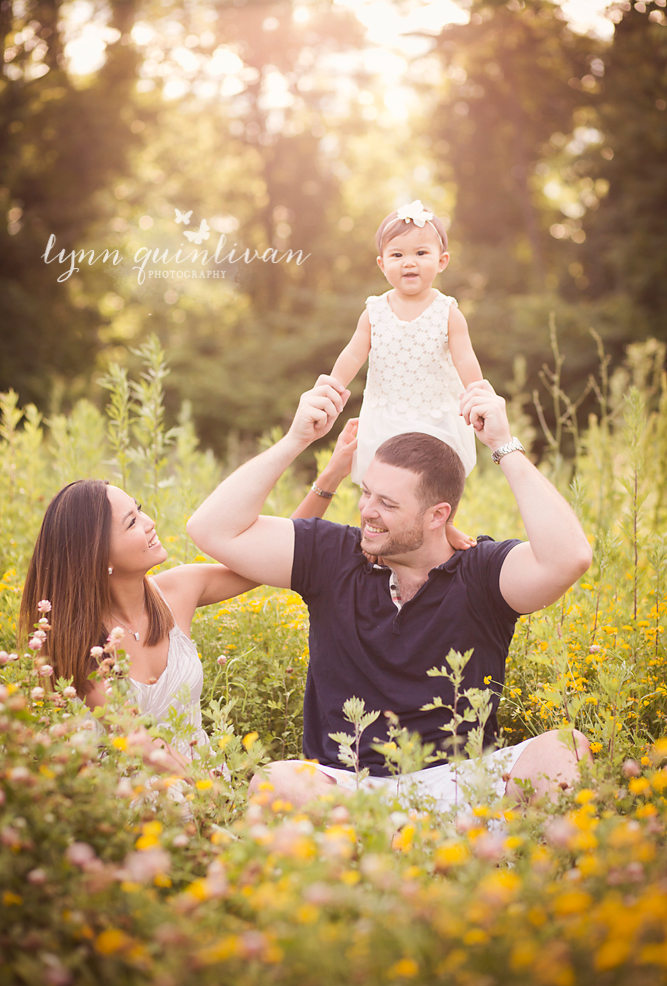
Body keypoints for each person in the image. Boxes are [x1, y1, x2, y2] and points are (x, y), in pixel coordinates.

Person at [187, 376, 593, 810]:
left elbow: (568, 558)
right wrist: (295, 439)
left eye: (388, 504)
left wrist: (503, 444)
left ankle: (509, 864)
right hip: (351, 790)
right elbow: (210, 529)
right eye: (366, 492)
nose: (367, 511)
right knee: (275, 782)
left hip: (463, 786)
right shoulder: (333, 555)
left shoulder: (480, 571)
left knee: (565, 748)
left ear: (438, 515)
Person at [18, 424, 359, 781]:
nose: (150, 523)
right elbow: (137, 742)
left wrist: (331, 476)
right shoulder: (74, 638)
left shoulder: (179, 589)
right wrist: (214, 798)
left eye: (140, 509)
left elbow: (270, 555)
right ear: (98, 554)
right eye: (132, 522)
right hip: (128, 806)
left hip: (204, 786)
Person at [329, 199, 482, 551]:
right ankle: (373, 535)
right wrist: (334, 386)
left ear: (441, 261)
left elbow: (465, 357)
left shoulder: (447, 312)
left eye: (420, 253)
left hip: (435, 411)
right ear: (383, 264)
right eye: (397, 255)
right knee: (378, 478)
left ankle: (446, 526)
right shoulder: (374, 311)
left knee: (440, 475)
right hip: (388, 411)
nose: (408, 262)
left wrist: (477, 393)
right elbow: (354, 352)